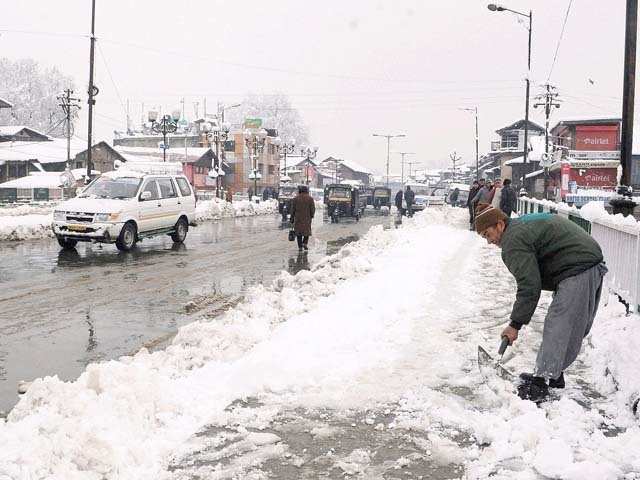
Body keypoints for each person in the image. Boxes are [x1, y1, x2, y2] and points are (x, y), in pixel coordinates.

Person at [473, 203, 607, 403]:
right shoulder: (517, 228)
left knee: (559, 323)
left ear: (500, 225)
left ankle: (541, 383)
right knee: (566, 322)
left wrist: (515, 324)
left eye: (487, 234)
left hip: (578, 266)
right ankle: (552, 374)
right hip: (581, 263)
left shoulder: (512, 241)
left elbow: (529, 286)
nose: (489, 242)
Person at [289, 185, 315, 251]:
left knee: (298, 233)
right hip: (307, 218)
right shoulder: (310, 199)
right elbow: (312, 209)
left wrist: (292, 218)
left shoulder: (295, 199)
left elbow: (292, 209)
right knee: (307, 231)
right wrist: (311, 215)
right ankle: (305, 243)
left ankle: (300, 246)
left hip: (298, 218)